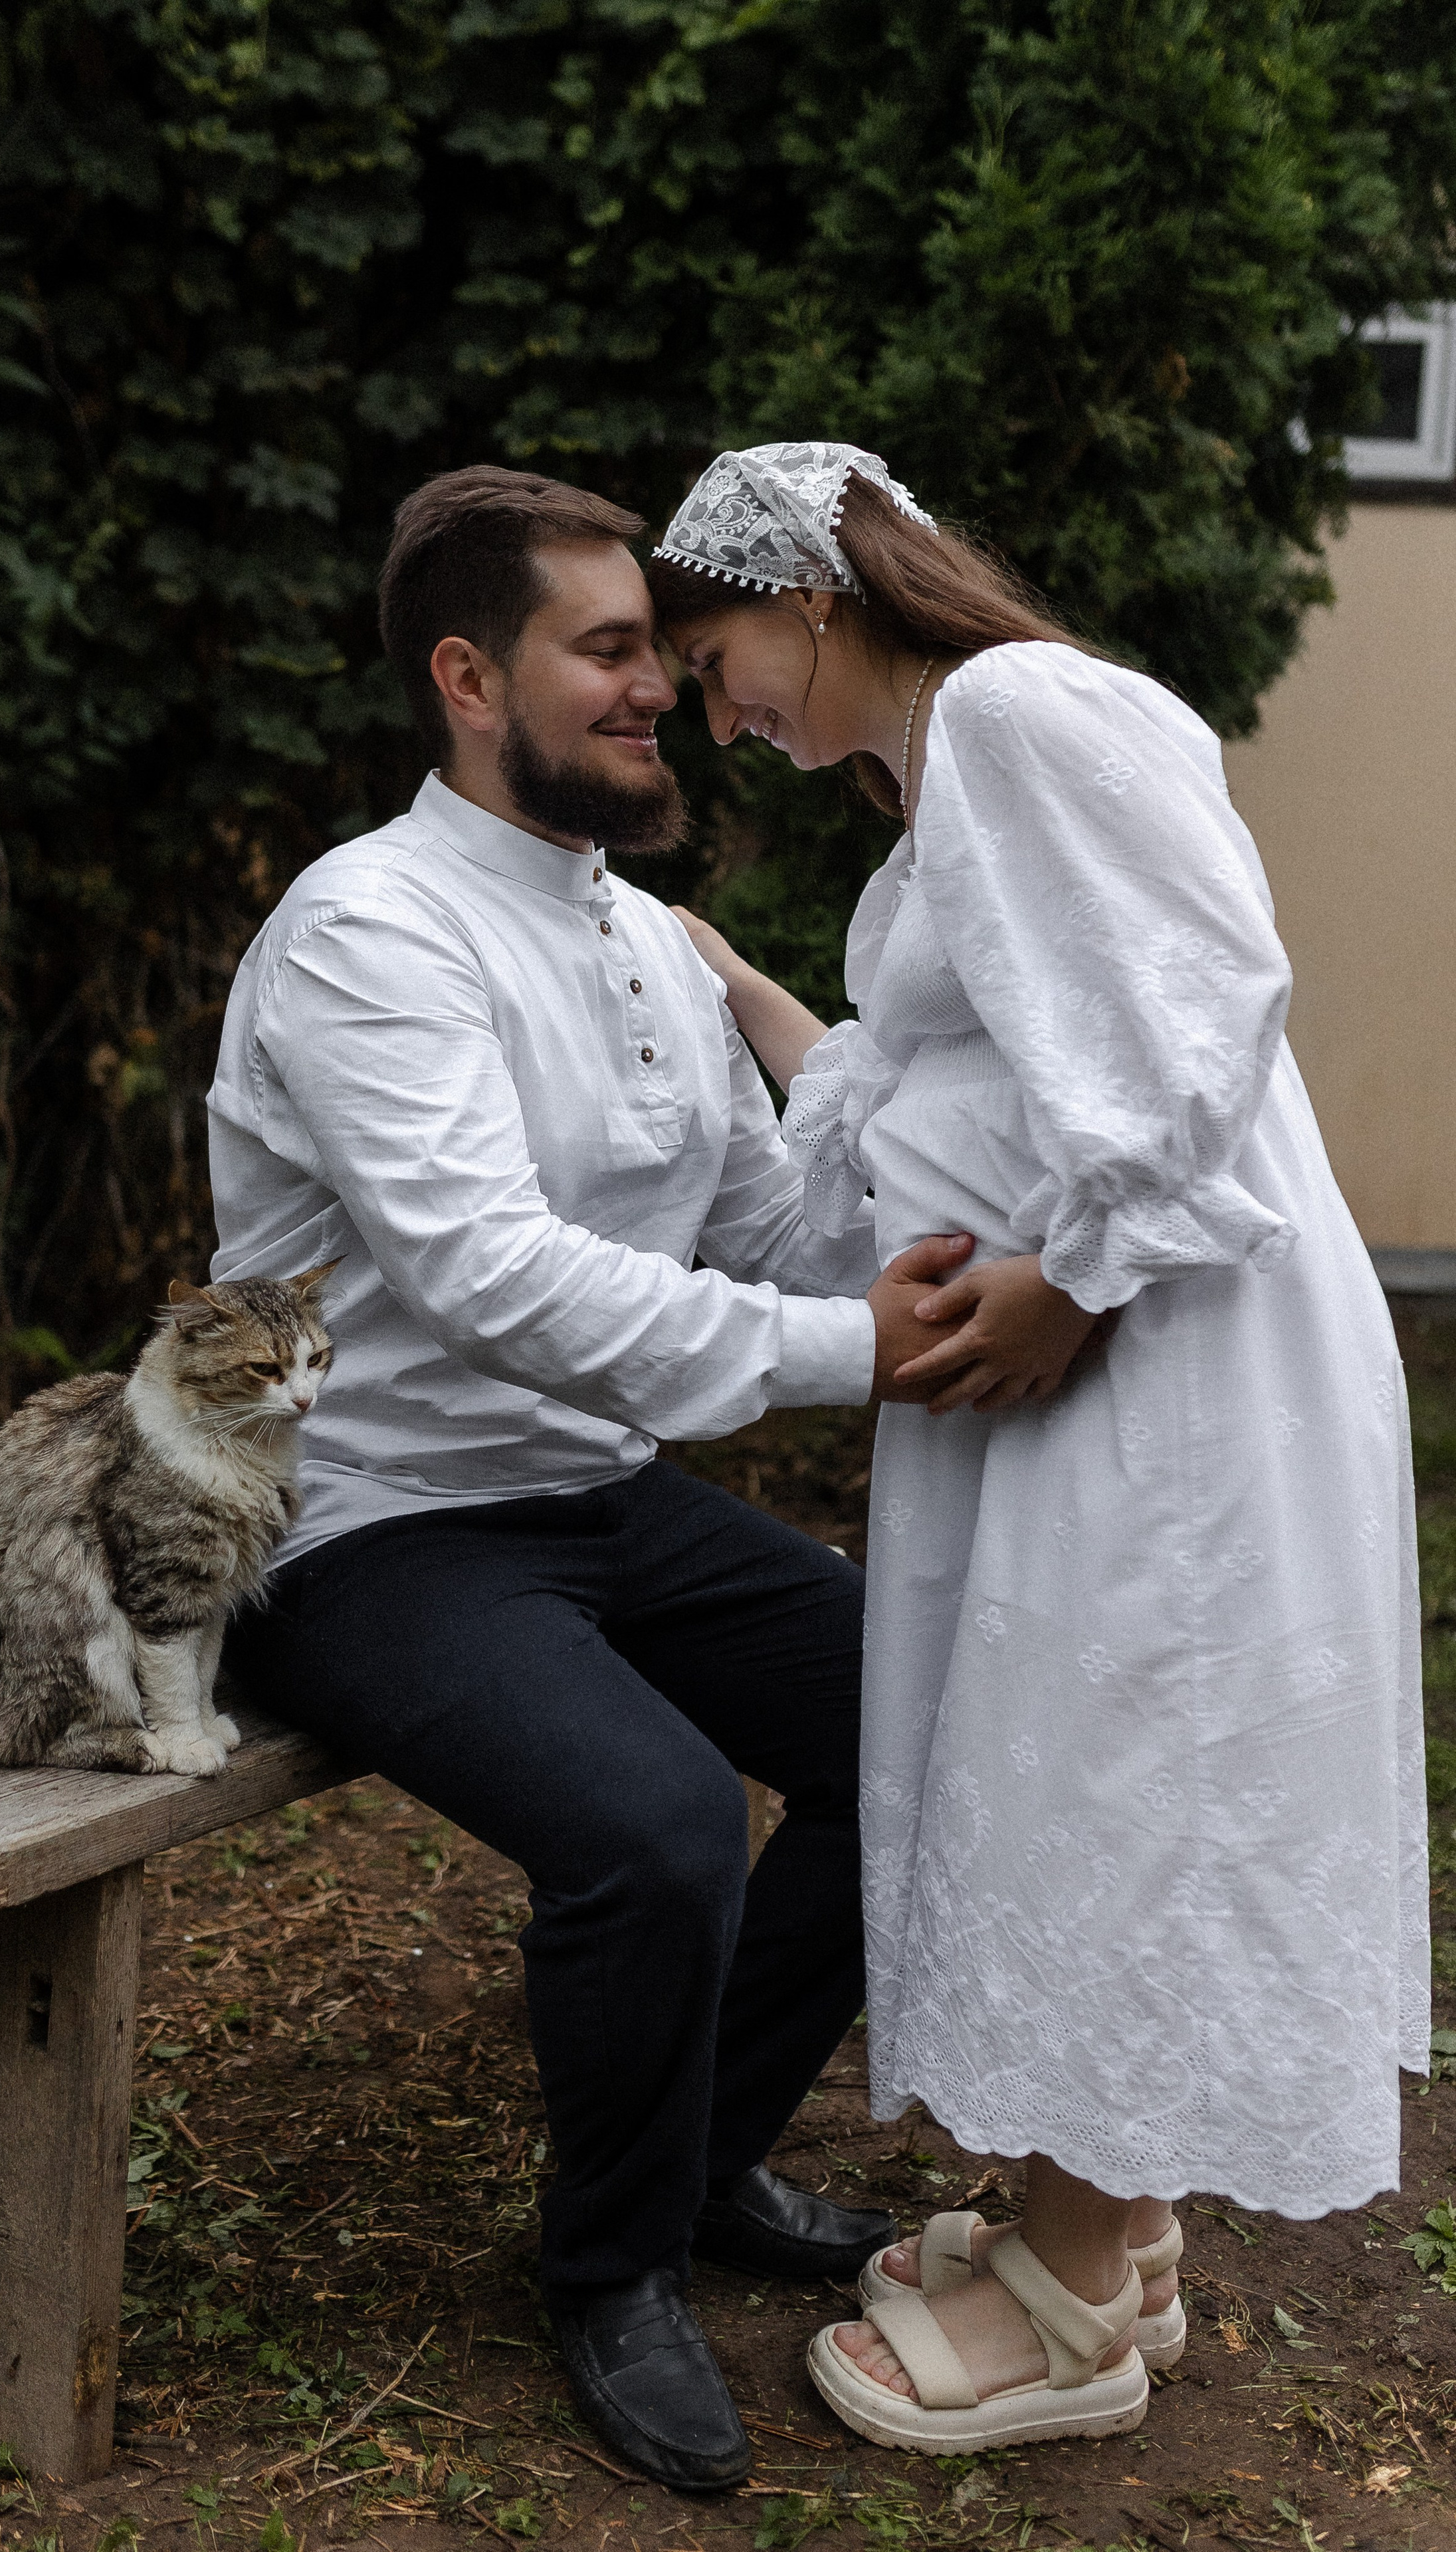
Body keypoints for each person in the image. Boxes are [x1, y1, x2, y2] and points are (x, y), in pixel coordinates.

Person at [206, 466, 1061, 2490]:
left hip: (596, 1495)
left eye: (652, 655)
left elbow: (767, 1235)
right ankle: (604, 2272)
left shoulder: (656, 950)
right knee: (662, 1823)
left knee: (921, 1708)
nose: (655, 692)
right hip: (379, 1518)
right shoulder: (364, 932)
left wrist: (970, 1276)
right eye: (604, 653)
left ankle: (697, 2170)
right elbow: (494, 1280)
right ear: (466, 677)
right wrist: (859, 1356)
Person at [645, 441, 1430, 2454]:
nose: (715, 708)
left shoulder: (1016, 710)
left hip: (1166, 1363)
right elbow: (902, 1118)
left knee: (1119, 1766)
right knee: (1073, 1762)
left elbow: (1204, 1013)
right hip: (1094, 1362)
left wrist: (1078, 1277)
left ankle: (1076, 2307)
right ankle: (1113, 2216)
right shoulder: (928, 825)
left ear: (812, 593)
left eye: (719, 649)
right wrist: (728, 986)